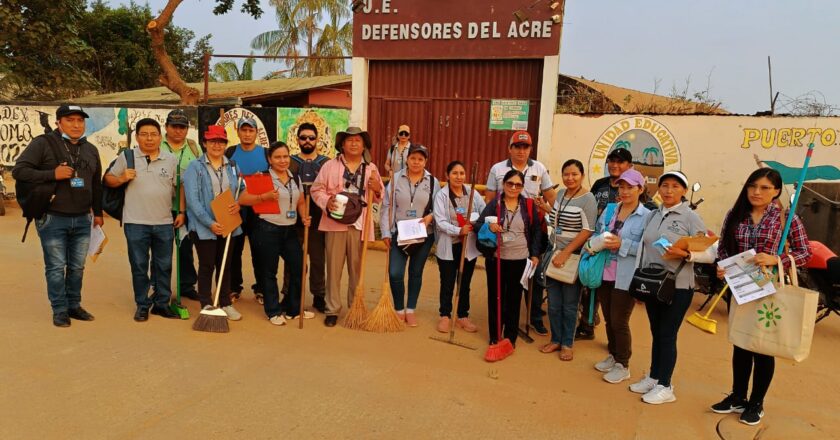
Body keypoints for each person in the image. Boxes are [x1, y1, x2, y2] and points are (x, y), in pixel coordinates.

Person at [710, 168, 811, 425]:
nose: (757, 192)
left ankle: (756, 403)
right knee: (741, 342)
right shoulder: (735, 215)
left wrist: (777, 259)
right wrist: (721, 265)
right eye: (752, 186)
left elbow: (804, 252)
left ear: (776, 191)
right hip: (740, 287)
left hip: (769, 289)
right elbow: (723, 248)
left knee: (763, 347)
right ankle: (738, 396)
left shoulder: (786, 218)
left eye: (765, 188)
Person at [12, 104, 103, 327]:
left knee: (77, 267)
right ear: (58, 123)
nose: (76, 124)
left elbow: (96, 184)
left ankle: (74, 305)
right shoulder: (43, 144)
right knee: (55, 266)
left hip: (83, 219)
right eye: (70, 120)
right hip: (53, 218)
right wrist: (52, 174)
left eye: (80, 121)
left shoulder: (90, 149)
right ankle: (59, 309)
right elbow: (19, 171)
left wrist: (98, 213)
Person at [629, 170, 709, 405]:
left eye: (675, 186)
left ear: (684, 191)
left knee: (667, 334)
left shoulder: (691, 217)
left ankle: (666, 385)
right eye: (664, 185)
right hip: (653, 282)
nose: (668, 190)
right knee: (657, 332)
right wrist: (638, 282)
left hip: (678, 285)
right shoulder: (654, 214)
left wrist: (686, 253)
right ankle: (654, 376)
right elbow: (644, 247)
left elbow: (710, 251)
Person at [104, 118, 183, 321]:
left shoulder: (170, 159)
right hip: (135, 222)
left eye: (153, 134)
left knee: (164, 265)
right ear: (137, 137)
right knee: (139, 265)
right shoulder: (127, 156)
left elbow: (179, 188)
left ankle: (162, 304)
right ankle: (142, 304)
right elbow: (108, 179)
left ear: (160, 137)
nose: (149, 138)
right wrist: (122, 178)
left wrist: (181, 212)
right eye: (144, 134)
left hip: (164, 222)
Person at [311, 126, 384, 327]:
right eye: (349, 140)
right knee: (333, 269)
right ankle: (332, 309)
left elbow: (380, 196)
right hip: (334, 223)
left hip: (360, 224)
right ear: (342, 144)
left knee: (356, 269)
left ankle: (355, 307)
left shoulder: (371, 168)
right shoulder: (329, 166)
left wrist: (377, 189)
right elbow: (316, 190)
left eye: (357, 141)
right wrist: (326, 202)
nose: (353, 143)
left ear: (364, 146)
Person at [485, 130, 555, 336]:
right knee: (506, 280)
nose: (521, 151)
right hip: (505, 230)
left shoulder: (539, 168)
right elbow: (490, 199)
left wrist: (557, 214)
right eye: (517, 147)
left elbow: (551, 196)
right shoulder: (497, 169)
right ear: (510, 148)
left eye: (525, 147)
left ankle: (534, 318)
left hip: (533, 229)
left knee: (535, 276)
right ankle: (505, 321)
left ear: (530, 149)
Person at [239, 142, 314, 326]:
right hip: (267, 229)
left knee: (299, 267)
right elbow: (242, 199)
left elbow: (301, 202)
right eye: (277, 157)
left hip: (289, 230)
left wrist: (304, 216)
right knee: (268, 272)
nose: (282, 161)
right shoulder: (263, 177)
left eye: (285, 156)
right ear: (269, 160)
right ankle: (273, 311)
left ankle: (293, 308)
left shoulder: (294, 177)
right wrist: (263, 197)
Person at [591, 169, 650, 383]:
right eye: (621, 186)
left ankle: (623, 364)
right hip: (604, 270)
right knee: (608, 318)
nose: (624, 191)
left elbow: (646, 248)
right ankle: (613, 355)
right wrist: (598, 242)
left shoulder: (646, 217)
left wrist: (622, 244)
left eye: (630, 187)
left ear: (640, 189)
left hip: (625, 276)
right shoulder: (610, 210)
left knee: (620, 321)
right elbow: (598, 231)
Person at [183, 125, 244, 320]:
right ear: (205, 143)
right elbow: (192, 200)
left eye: (221, 141)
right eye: (212, 141)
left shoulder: (233, 166)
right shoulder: (195, 167)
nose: (217, 145)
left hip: (229, 223)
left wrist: (238, 205)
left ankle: (225, 302)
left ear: (226, 144)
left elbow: (241, 190)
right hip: (204, 226)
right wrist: (209, 223)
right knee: (207, 264)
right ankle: (207, 303)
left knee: (225, 263)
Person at [478, 170, 543, 347]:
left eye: (518, 185)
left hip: (520, 259)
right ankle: (494, 335)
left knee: (514, 298)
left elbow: (537, 230)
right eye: (510, 184)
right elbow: (479, 224)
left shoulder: (528, 205)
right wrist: (490, 226)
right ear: (504, 184)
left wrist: (535, 254)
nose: (514, 188)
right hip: (496, 258)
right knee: (496, 297)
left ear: (522, 187)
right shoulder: (495, 204)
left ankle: (510, 337)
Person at [540, 160, 597, 361]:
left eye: (574, 174)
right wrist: (546, 209)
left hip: (573, 257)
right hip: (554, 253)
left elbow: (588, 229)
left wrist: (567, 252)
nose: (569, 178)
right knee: (554, 303)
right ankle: (555, 339)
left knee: (570, 304)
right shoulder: (562, 194)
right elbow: (558, 220)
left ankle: (567, 344)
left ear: (581, 175)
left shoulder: (588, 199)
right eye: (566, 174)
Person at [380, 144, 439, 326]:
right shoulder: (396, 178)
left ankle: (410, 309)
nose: (416, 162)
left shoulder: (432, 181)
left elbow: (439, 207)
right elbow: (386, 207)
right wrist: (385, 232)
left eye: (420, 159)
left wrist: (431, 217)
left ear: (425, 161)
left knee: (415, 272)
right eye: (413, 158)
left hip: (423, 235)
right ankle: (399, 309)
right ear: (407, 159)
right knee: (395, 272)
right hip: (399, 233)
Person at [579, 148, 634, 340]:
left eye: (620, 162)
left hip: (617, 251)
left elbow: (645, 212)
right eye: (612, 161)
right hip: (595, 243)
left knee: (613, 299)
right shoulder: (600, 184)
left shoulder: (634, 189)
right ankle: (587, 324)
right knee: (589, 284)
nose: (615, 165)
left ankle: (616, 346)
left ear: (629, 166)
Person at [282, 122, 329, 313]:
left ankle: (318, 295)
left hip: (318, 219)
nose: (307, 141)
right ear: (297, 139)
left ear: (317, 140)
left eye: (311, 137)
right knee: (292, 258)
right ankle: (288, 294)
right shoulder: (290, 162)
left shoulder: (326, 163)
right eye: (303, 137)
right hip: (293, 219)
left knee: (317, 259)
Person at [433, 161, 485, 333]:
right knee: (447, 282)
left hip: (467, 246)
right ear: (447, 175)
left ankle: (462, 315)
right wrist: (458, 230)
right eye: (454, 173)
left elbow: (483, 212)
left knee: (465, 282)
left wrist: (475, 223)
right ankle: (445, 315)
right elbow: (440, 222)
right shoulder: (442, 195)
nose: (458, 176)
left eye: (462, 173)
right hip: (449, 245)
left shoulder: (472, 193)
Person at [225, 117, 268, 302]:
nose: (247, 134)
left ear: (256, 133)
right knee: (234, 250)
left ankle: (261, 289)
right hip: (237, 207)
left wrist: (263, 176)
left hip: (259, 209)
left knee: (260, 250)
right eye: (244, 130)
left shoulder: (266, 153)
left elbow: (274, 177)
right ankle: (234, 287)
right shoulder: (231, 152)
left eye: (251, 131)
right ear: (239, 132)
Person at [160, 109, 201, 300]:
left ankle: (186, 285)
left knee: (185, 247)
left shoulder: (194, 148)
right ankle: (160, 287)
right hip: (160, 207)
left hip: (186, 208)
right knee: (162, 249)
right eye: (174, 127)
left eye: (182, 127)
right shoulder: (156, 146)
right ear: (166, 127)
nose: (178, 131)